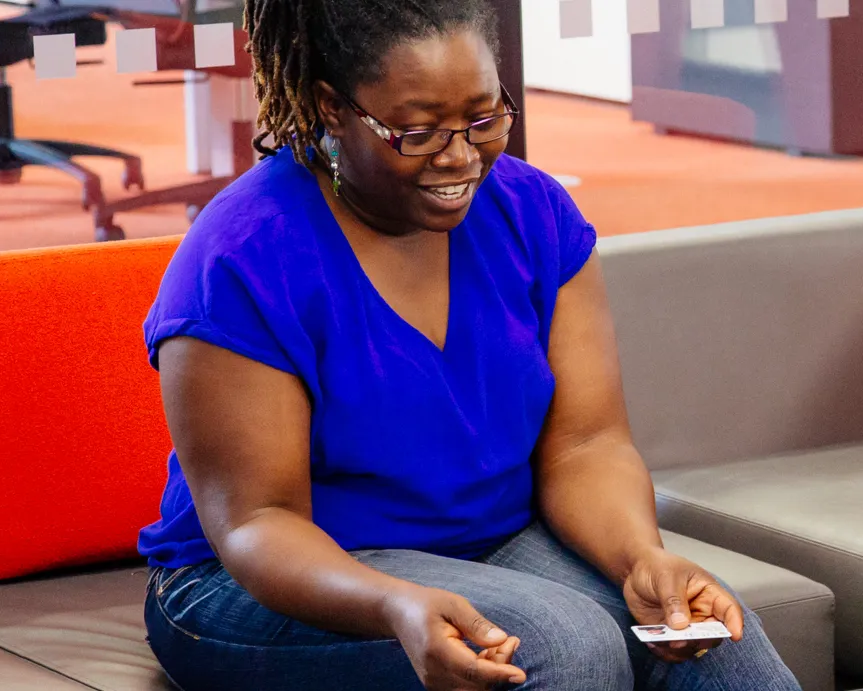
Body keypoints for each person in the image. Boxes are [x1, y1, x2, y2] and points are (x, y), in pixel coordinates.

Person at [136, 2, 801, 689]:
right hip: (260, 579)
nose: (459, 157)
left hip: (491, 541)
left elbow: (587, 444)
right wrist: (394, 603)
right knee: (563, 647)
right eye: (418, 132)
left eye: (483, 120)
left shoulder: (533, 212)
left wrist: (641, 557)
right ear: (332, 107)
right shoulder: (242, 257)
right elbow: (257, 522)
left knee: (713, 638)